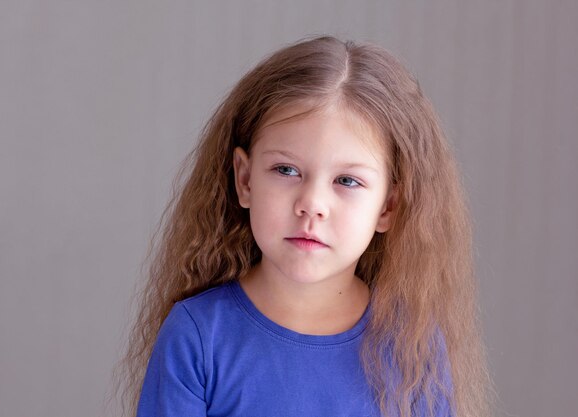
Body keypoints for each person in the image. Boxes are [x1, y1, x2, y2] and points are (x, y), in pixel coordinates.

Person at [115, 36, 491, 417]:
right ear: (244, 180)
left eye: (347, 181)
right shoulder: (196, 336)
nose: (312, 204)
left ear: (388, 205)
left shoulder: (414, 348)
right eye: (286, 170)